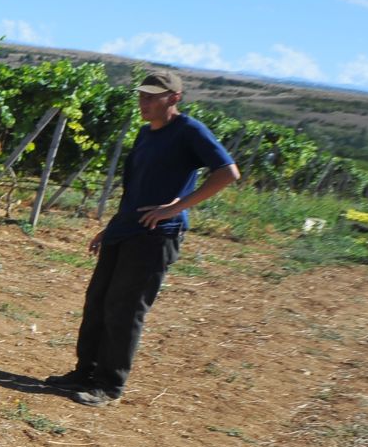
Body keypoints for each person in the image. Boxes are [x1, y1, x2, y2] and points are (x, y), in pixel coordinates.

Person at [47, 69, 239, 406]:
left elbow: (228, 172)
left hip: (156, 235)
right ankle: (84, 371)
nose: (144, 102)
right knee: (98, 303)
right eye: (142, 95)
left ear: (174, 99)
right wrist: (112, 227)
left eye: (153, 97)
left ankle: (108, 385)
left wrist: (176, 207)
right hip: (125, 229)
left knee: (125, 309)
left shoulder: (189, 131)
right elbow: (135, 188)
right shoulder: (144, 134)